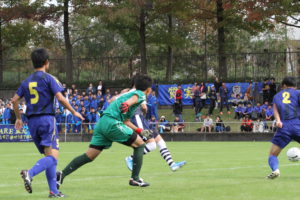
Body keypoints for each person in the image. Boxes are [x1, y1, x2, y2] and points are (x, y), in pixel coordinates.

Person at [56, 74, 153, 188]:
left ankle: (61, 174)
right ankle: (135, 179)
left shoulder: (127, 94)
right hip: (112, 123)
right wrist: (127, 104)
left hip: (102, 123)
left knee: (89, 155)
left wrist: (139, 130)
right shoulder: (141, 94)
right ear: (149, 89)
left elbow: (126, 121)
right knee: (140, 145)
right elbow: (134, 99)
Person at [11, 48, 84, 197]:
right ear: (46, 62)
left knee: (49, 156)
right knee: (52, 157)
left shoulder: (26, 81)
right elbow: (61, 98)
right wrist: (74, 111)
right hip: (47, 120)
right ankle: (30, 173)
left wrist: (18, 118)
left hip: (32, 123)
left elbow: (14, 100)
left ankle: (53, 191)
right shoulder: (49, 78)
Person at [125, 100, 186, 172]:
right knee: (152, 145)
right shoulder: (140, 93)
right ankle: (131, 158)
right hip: (138, 119)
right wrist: (144, 111)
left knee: (161, 143)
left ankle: (172, 164)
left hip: (142, 120)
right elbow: (144, 107)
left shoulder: (133, 93)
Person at [266, 77, 300, 179]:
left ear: (284, 85)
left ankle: (276, 170)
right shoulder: (298, 93)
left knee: (273, 154)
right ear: (295, 85)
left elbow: (275, 110)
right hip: (298, 125)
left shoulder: (277, 96)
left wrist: (278, 121)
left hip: (284, 126)